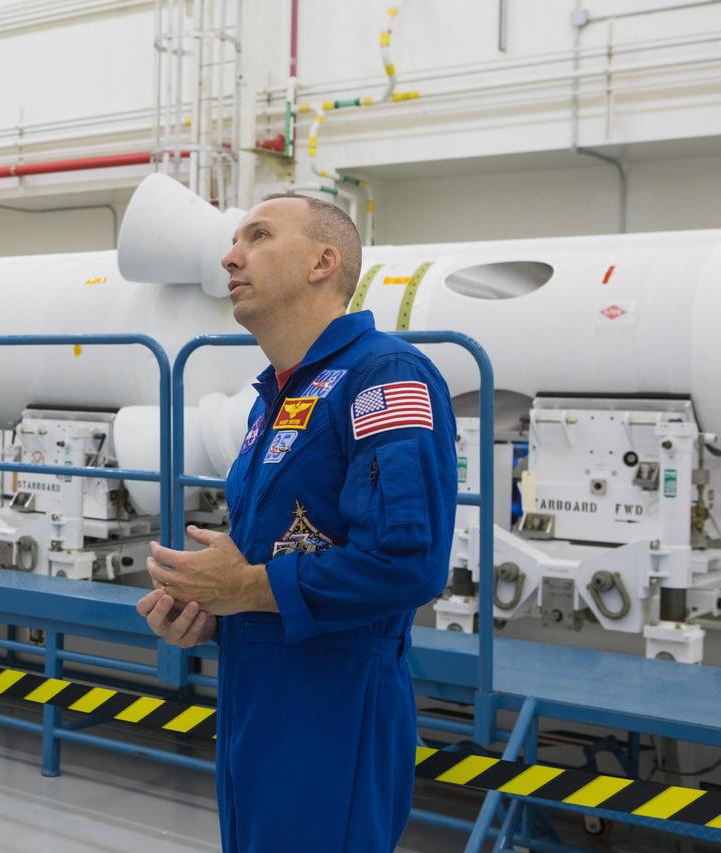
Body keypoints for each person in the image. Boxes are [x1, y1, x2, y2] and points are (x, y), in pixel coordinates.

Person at [137, 193, 457, 852]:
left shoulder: (382, 376)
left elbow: (408, 563)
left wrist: (248, 588)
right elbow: (278, 553)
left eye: (257, 236)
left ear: (322, 262)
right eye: (233, 240)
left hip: (332, 711)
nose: (230, 255)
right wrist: (207, 608)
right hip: (259, 701)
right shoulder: (276, 399)